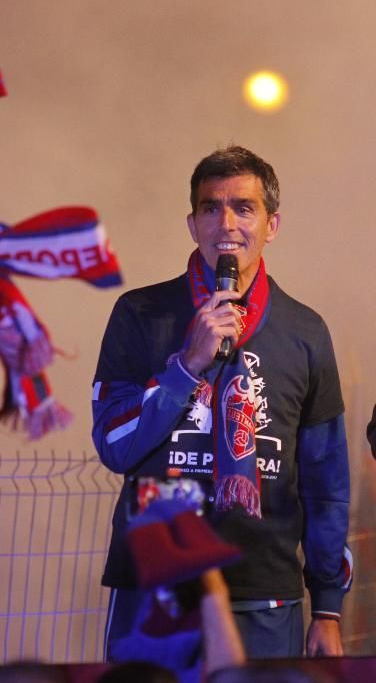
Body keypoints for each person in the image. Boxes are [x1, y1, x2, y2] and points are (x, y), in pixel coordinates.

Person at [92, 146, 351, 659]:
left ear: (272, 224)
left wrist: (326, 605)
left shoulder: (305, 331)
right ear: (192, 224)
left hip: (265, 594)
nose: (225, 222)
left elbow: (326, 482)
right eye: (211, 208)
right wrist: (186, 366)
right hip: (155, 587)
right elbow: (115, 445)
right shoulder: (140, 312)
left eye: (244, 207)